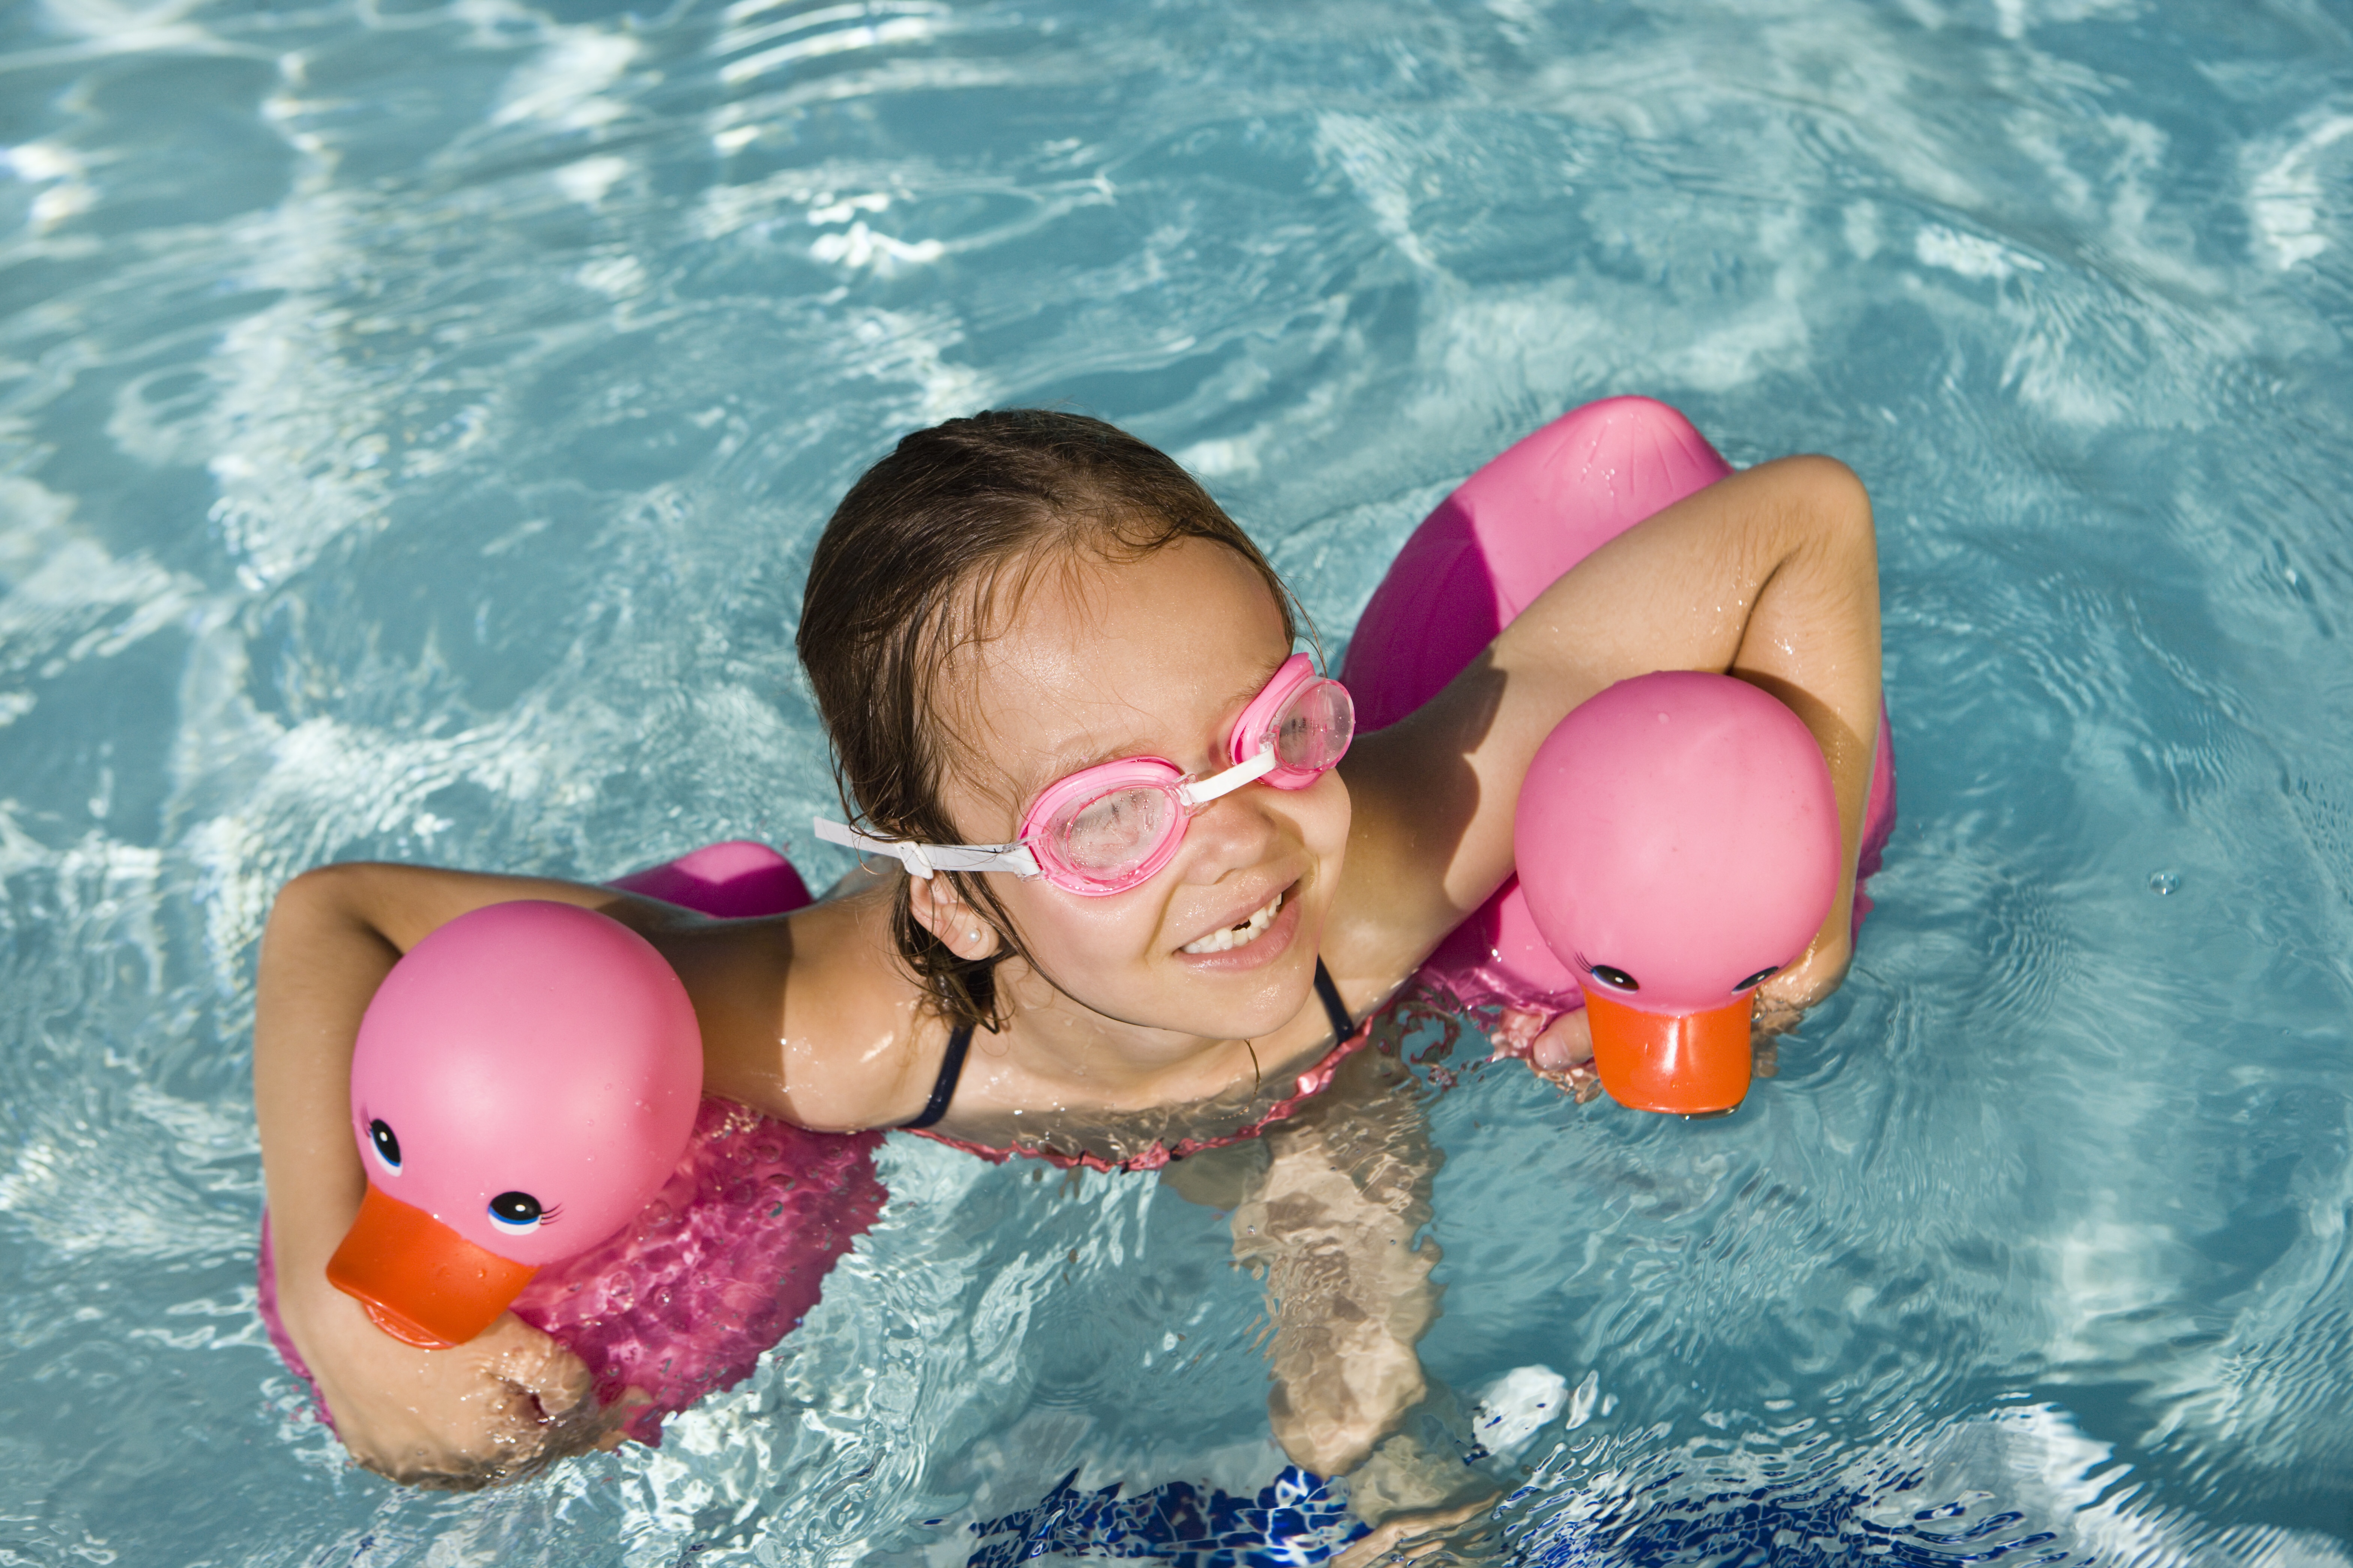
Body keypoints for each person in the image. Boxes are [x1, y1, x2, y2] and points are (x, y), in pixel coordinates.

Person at [254, 406, 1881, 1517]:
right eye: (1112, 823)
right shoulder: (831, 1035)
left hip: (1329, 1062)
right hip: (1012, 1084)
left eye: (1269, 735)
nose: (1240, 843)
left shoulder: (1379, 860)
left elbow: (1798, 520)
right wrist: (349, 1310)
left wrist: (1798, 909)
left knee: (1363, 1424)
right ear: (956, 896)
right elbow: (339, 918)